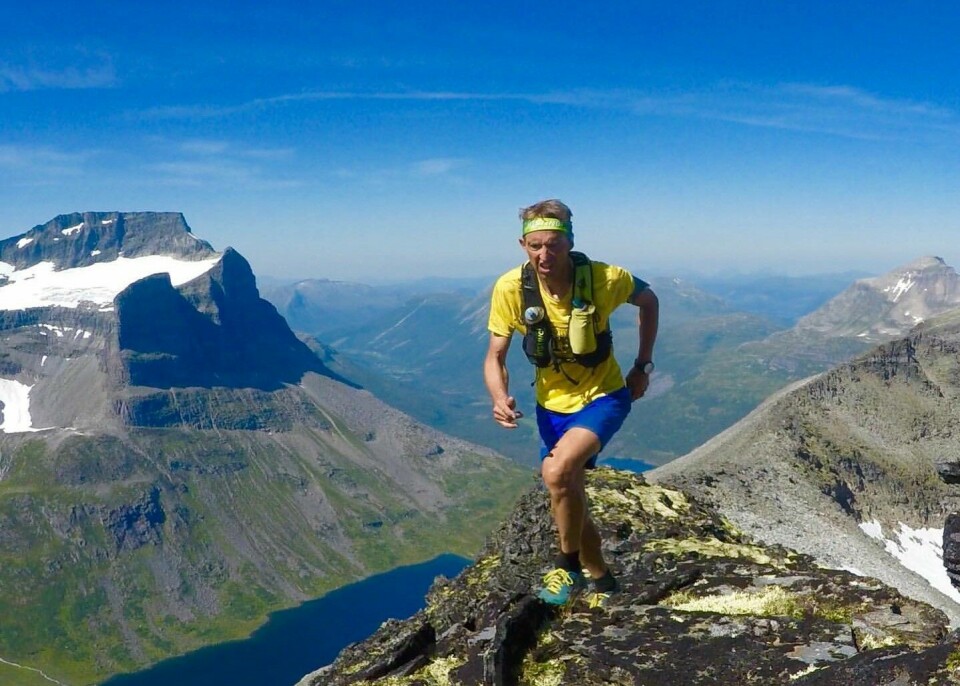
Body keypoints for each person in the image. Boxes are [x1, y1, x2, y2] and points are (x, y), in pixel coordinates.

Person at [483, 199, 659, 608]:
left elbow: (649, 301)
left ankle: (567, 566)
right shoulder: (511, 288)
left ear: (570, 241)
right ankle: (603, 581)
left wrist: (642, 365)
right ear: (522, 244)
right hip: (551, 408)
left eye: (554, 245)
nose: (545, 255)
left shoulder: (603, 278)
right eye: (535, 246)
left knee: (557, 472)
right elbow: (495, 356)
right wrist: (498, 396)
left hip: (605, 397)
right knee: (569, 492)